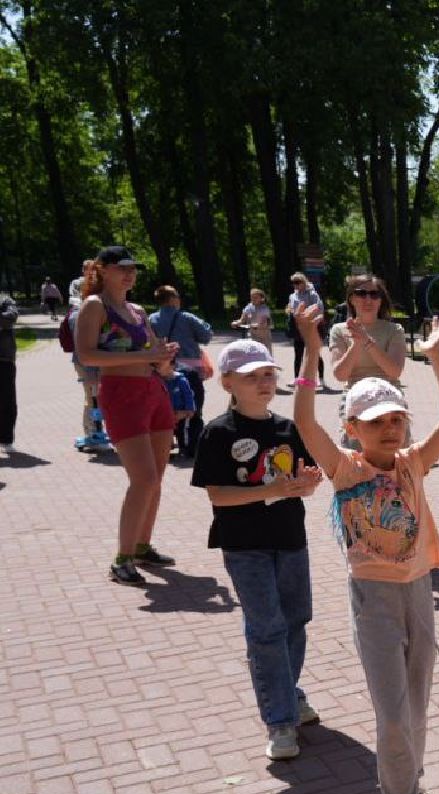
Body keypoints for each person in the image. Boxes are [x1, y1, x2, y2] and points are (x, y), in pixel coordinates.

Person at [292, 306, 439, 794]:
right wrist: (313, 348)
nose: (389, 429)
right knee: (391, 715)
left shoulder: (415, 463)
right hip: (374, 603)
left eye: (395, 419)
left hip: (418, 594)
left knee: (415, 708)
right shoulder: (345, 470)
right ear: (353, 429)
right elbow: (305, 426)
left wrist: (437, 358)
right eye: (375, 422)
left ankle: (412, 787)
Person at [191, 339, 323, 760]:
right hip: (245, 545)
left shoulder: (287, 428)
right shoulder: (217, 433)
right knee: (267, 628)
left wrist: (307, 483)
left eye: (268, 374)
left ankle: (288, 691)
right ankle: (280, 721)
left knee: (296, 619)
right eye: (252, 377)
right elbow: (218, 496)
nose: (264, 382)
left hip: (290, 539)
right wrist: (270, 489)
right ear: (228, 382)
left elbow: (300, 480)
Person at [74, 246, 185, 585]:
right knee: (144, 480)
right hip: (120, 395)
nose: (129, 274)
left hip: (153, 392)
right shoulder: (95, 306)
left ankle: (141, 546)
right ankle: (121, 560)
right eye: (121, 268)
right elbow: (87, 355)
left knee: (156, 481)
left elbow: (154, 359)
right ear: (101, 270)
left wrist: (164, 359)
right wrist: (144, 354)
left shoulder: (137, 310)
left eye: (133, 268)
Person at [329, 274, 407, 445]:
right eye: (361, 293)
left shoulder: (394, 330)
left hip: (388, 394)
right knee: (355, 457)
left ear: (380, 300)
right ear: (352, 299)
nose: (368, 299)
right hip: (355, 396)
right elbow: (341, 375)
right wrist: (356, 344)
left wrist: (367, 342)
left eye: (374, 294)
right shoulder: (339, 330)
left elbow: (394, 371)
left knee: (396, 457)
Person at [150, 285, 215, 458]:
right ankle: (191, 447)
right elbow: (207, 336)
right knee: (192, 409)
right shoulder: (186, 317)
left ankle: (165, 444)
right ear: (172, 299)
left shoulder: (151, 319)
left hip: (162, 370)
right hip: (189, 370)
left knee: (165, 408)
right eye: (177, 296)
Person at [285, 273, 327, 389]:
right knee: (298, 354)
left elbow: (319, 308)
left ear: (304, 282)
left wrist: (310, 315)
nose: (296, 285)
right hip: (297, 327)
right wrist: (289, 310)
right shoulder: (293, 296)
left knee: (315, 353)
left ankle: (321, 379)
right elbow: (290, 307)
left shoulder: (312, 294)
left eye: (298, 282)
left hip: (310, 326)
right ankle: (296, 378)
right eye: (294, 283)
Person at [234, 289, 275, 353]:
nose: (253, 299)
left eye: (255, 297)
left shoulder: (265, 309)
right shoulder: (248, 307)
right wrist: (237, 322)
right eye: (252, 297)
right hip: (252, 335)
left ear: (261, 298)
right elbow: (242, 319)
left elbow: (267, 322)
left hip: (264, 335)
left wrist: (261, 325)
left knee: (266, 354)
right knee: (253, 354)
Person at [0, 291, 16, 452]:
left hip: (4, 358)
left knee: (6, 401)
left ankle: (6, 439)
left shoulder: (4, 299)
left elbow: (11, 317)